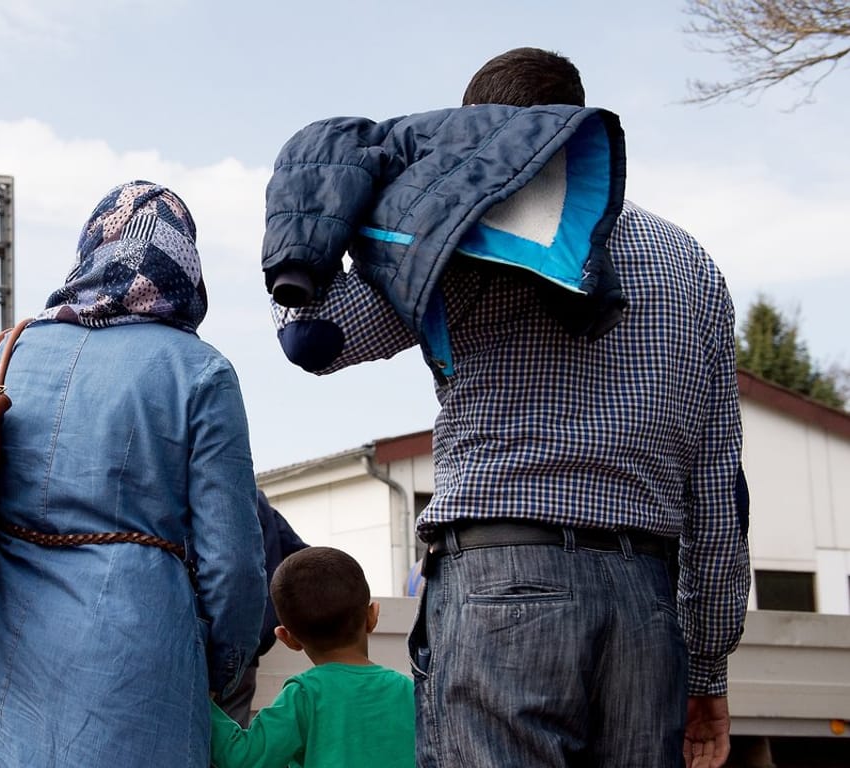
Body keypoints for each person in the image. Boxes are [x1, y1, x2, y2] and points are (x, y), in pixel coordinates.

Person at [265, 48, 749, 768]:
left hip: (501, 579)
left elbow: (316, 339)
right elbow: (717, 493)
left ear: (474, 129)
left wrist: (308, 232)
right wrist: (707, 668)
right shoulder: (692, 266)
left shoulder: (453, 233)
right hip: (646, 605)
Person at [0, 181, 266, 768]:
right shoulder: (202, 371)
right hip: (137, 646)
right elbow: (232, 563)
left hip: (1, 637)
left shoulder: (13, 352)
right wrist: (219, 668)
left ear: (89, 249)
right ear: (183, 261)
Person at [209, 546, 415, 768]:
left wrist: (202, 700)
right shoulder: (407, 690)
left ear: (287, 638)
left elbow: (244, 758)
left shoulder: (305, 695)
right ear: (373, 615)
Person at [217, 490, 309, 726]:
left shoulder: (192, 494)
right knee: (233, 737)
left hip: (202, 635)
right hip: (252, 639)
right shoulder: (257, 500)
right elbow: (302, 557)